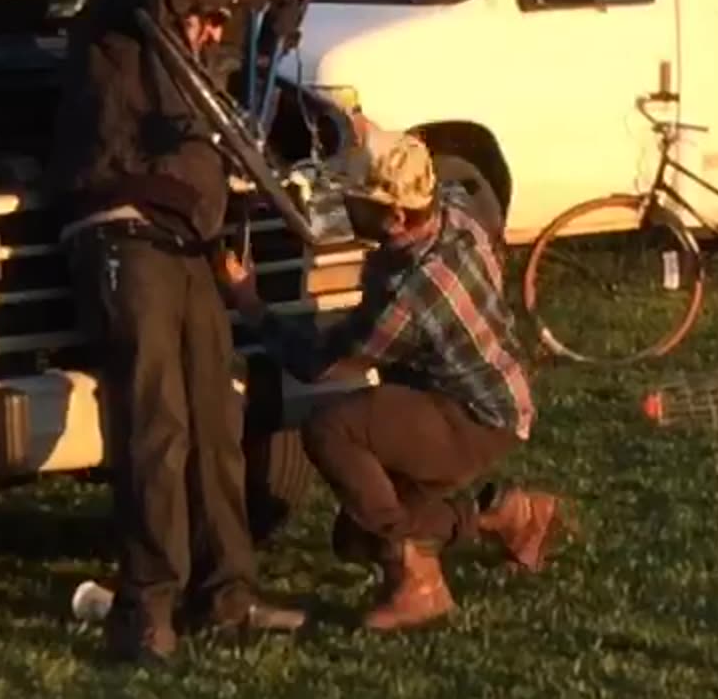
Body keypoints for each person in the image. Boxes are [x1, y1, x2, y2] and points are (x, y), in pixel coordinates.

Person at [218, 128, 573, 632]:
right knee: (354, 535)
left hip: (470, 417)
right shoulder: (451, 210)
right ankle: (507, 515)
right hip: (489, 396)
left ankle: (416, 581)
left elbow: (319, 362)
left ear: (395, 216)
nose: (346, 206)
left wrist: (249, 301)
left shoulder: (413, 290)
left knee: (331, 429)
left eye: (357, 201)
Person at [46, 0, 306, 664]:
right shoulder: (121, 8)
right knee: (157, 424)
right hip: (124, 227)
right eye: (211, 19)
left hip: (190, 236)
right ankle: (148, 607)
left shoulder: (196, 51)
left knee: (217, 421)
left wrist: (279, 7)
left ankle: (228, 593)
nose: (214, 31)